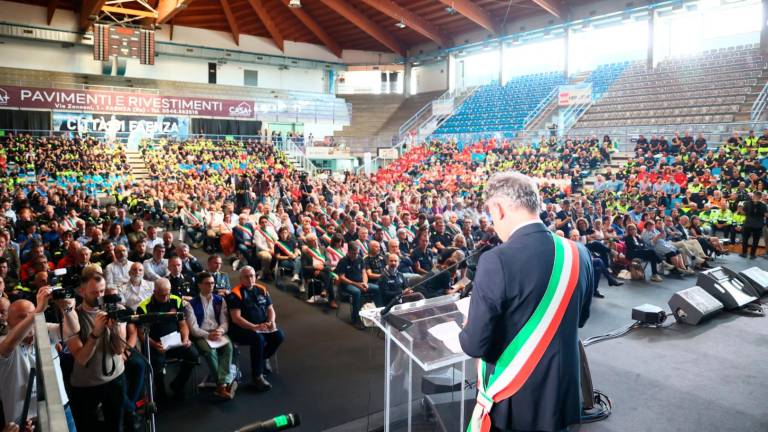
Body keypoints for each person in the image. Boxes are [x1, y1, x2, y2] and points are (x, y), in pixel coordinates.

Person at [459, 172, 594, 432]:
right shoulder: (579, 253)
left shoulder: (496, 260)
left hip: (515, 400)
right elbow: (581, 318)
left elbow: (474, 344)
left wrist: (467, 324)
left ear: (497, 209)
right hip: (563, 392)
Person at [63, 268, 127, 432]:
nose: (99, 296)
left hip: (115, 377)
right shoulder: (72, 317)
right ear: (82, 291)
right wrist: (96, 333)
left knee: (116, 426)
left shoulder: (115, 308)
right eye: (94, 292)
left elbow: (119, 350)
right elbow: (81, 359)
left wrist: (115, 328)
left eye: (102, 291)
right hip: (87, 384)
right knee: (88, 427)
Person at [136, 278, 199, 402]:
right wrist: (154, 344)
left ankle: (177, 384)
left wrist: (185, 338)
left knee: (193, 355)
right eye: (162, 295)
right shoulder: (144, 307)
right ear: (154, 291)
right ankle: (161, 392)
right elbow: (141, 333)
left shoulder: (175, 300)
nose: (165, 297)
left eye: (167, 294)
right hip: (155, 344)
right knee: (157, 364)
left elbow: (182, 324)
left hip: (174, 341)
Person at [227, 266, 284, 391]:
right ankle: (257, 377)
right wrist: (254, 327)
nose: (250, 279)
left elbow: (270, 309)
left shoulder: (261, 289)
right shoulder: (235, 293)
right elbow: (236, 318)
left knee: (279, 335)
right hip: (241, 329)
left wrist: (271, 321)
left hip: (262, 326)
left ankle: (263, 358)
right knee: (258, 340)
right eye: (246, 276)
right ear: (240, 278)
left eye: (252, 275)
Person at [184, 272, 237, 400]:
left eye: (212, 283)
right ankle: (223, 384)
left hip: (217, 331)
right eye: (207, 283)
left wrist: (220, 331)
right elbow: (193, 328)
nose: (211, 286)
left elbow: (224, 321)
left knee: (228, 347)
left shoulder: (220, 300)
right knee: (209, 352)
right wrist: (208, 335)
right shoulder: (191, 304)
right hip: (202, 334)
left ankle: (222, 384)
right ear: (200, 285)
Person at [335, 243, 382, 329]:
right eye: (354, 253)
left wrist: (364, 283)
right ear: (348, 252)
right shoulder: (343, 261)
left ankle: (380, 313)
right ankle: (355, 318)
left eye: (357, 253)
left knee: (377, 288)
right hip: (347, 284)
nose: (356, 255)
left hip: (360, 282)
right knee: (356, 292)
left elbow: (364, 272)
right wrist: (357, 284)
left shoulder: (360, 258)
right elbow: (342, 277)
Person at [741, 191, 767, 259]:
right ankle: (751, 254)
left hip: (750, 224)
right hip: (755, 224)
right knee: (754, 240)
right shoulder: (763, 205)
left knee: (746, 239)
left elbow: (743, 212)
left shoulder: (747, 203)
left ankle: (745, 253)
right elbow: (766, 215)